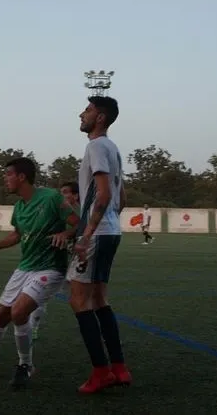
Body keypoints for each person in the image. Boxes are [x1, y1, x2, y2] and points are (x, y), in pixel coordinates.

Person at [0, 158, 78, 389]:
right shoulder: (19, 207)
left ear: (22, 177)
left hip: (50, 268)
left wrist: (66, 235)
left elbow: (78, 222)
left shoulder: (51, 198)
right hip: (25, 267)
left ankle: (25, 365)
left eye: (8, 175)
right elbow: (17, 235)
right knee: (0, 316)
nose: (5, 179)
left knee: (18, 312)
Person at [66, 96, 132, 394]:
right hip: (111, 231)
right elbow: (122, 197)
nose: (82, 113)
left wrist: (87, 234)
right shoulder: (113, 148)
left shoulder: (96, 146)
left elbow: (104, 195)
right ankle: (118, 368)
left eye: (88, 110)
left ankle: (101, 372)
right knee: (100, 300)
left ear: (101, 117)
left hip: (97, 233)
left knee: (79, 301)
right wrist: (110, 224)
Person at [30, 181, 80, 342]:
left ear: (75, 196)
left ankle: (98, 332)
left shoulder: (82, 212)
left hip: (78, 262)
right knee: (40, 295)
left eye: (65, 192)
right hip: (55, 261)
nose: (61, 195)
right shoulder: (56, 209)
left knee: (83, 300)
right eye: (61, 192)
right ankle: (33, 329)